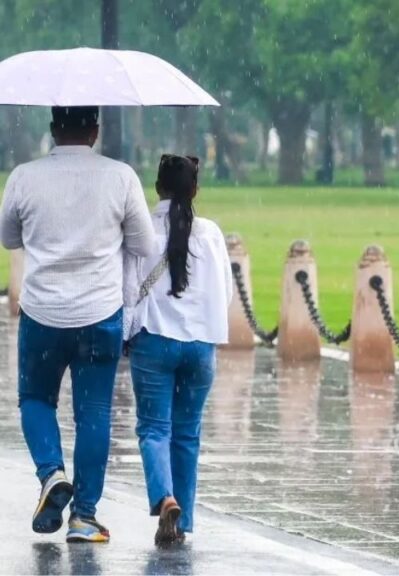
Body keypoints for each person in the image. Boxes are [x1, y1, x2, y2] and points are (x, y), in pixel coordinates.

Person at [0, 106, 157, 543]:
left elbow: (8, 237)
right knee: (93, 413)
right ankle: (85, 516)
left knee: (35, 398)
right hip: (99, 313)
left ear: (53, 130)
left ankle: (51, 473)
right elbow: (144, 244)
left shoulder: (24, 176)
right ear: (94, 130)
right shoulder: (120, 176)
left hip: (42, 313)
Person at [123, 154, 232, 545]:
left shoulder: (141, 231)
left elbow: (128, 288)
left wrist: (124, 335)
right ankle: (182, 523)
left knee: (154, 428)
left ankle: (164, 496)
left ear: (157, 188)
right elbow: (227, 291)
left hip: (154, 340)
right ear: (195, 190)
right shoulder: (212, 233)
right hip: (201, 346)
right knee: (187, 435)